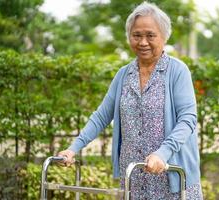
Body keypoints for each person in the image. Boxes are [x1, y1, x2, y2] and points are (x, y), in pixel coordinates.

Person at [58, 2, 203, 199]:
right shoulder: (123, 75)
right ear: (129, 37)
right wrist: (73, 149)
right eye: (137, 35)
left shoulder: (177, 71)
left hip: (170, 175)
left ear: (164, 36)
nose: (143, 42)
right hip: (134, 176)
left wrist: (163, 153)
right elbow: (101, 116)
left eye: (150, 35)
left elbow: (188, 119)